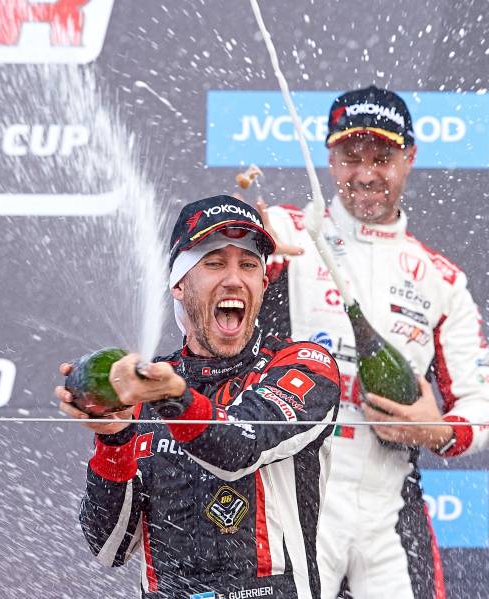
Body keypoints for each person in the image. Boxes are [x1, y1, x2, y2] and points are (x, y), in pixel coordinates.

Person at [255, 86, 489, 599]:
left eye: (383, 157)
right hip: (297, 497)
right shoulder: (288, 232)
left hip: (387, 505)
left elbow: (485, 410)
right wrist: (242, 242)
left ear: (409, 158)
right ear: (330, 159)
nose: (366, 173)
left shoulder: (442, 281)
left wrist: (436, 430)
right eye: (351, 158)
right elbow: (211, 271)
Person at [56, 195, 341, 599]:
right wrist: (113, 439)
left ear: (263, 282)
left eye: (247, 264)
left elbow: (237, 448)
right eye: (213, 263)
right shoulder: (146, 385)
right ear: (179, 283)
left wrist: (172, 398)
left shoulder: (303, 364)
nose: (233, 278)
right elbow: (109, 547)